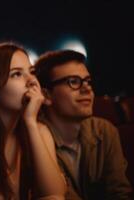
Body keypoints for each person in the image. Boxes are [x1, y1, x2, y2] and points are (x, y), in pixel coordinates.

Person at [34, 49, 132, 199]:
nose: (87, 88)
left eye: (88, 81)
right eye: (73, 82)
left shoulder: (104, 130)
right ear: (46, 95)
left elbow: (120, 193)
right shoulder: (36, 140)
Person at [0, 42, 66, 199]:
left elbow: (55, 193)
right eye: (16, 74)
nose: (31, 81)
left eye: (31, 72)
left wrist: (30, 121)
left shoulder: (38, 131)